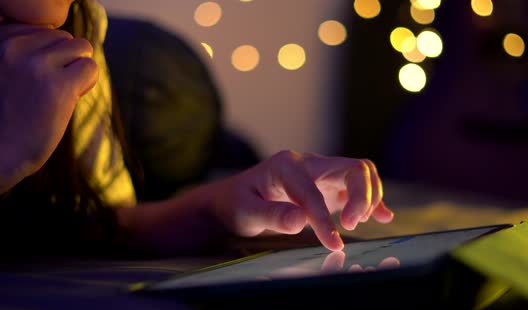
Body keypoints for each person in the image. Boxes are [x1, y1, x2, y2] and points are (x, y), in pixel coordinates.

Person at [0, 0, 394, 257]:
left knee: (175, 90)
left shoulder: (75, 27)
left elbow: (99, 225)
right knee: (159, 84)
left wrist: (223, 205)